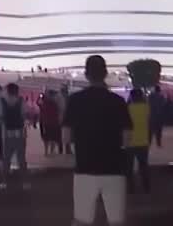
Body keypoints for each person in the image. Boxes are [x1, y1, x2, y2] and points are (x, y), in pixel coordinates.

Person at [64, 55, 133, 226]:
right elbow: (127, 137)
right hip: (114, 168)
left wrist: (77, 147)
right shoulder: (118, 102)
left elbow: (66, 135)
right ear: (105, 73)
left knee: (82, 220)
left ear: (87, 75)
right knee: (116, 220)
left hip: (85, 167)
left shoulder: (75, 100)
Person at [0, 83, 28, 190]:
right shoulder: (21, 101)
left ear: (7, 90)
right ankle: (24, 182)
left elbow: (1, 117)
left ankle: (3, 182)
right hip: (19, 133)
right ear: (17, 90)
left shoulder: (3, 102)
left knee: (6, 159)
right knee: (21, 159)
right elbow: (24, 115)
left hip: (7, 133)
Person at [124, 87, 151, 194]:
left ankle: (131, 188)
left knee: (128, 167)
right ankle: (146, 187)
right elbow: (149, 124)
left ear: (131, 97)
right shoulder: (147, 108)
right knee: (143, 166)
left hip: (129, 142)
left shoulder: (127, 109)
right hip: (143, 141)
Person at [39, 90, 62, 155]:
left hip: (47, 122)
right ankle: (50, 151)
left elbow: (39, 105)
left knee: (47, 137)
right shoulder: (55, 102)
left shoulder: (45, 102)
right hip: (54, 122)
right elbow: (60, 111)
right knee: (53, 138)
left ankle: (46, 151)